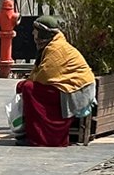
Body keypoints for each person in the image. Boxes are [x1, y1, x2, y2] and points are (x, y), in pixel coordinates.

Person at [15, 16, 96, 147]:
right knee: (25, 86)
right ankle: (31, 131)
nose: (33, 33)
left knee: (29, 88)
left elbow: (45, 77)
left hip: (78, 91)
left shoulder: (56, 48)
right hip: (69, 86)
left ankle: (42, 137)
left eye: (36, 30)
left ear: (43, 32)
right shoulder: (49, 45)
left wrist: (26, 83)